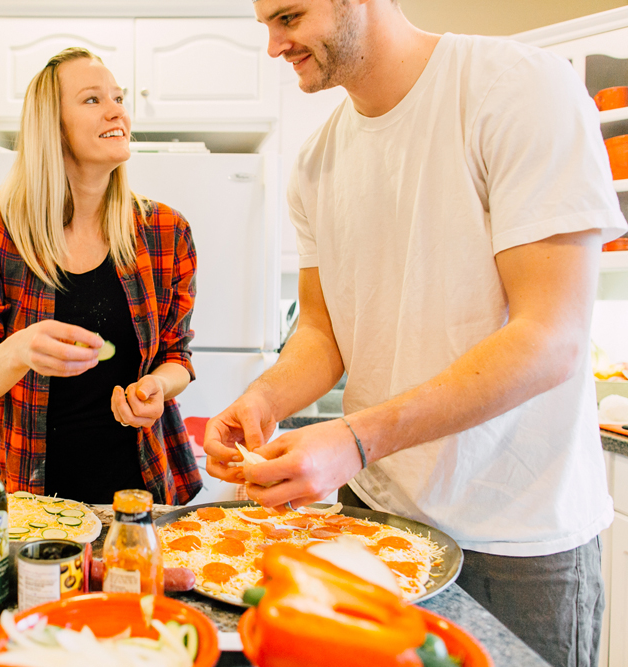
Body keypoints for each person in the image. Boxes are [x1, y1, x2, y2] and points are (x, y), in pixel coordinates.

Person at [204, 1, 627, 664]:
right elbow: (322, 329)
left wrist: (356, 438)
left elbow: (552, 336)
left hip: (517, 543)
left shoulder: (516, 88)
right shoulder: (317, 162)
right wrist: (263, 399)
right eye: (266, 24)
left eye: (288, 16)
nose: (274, 46)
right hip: (374, 521)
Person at [0, 47, 202, 506]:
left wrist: (156, 387)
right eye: (92, 99)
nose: (117, 110)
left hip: (143, 488)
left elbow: (177, 358)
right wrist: (21, 348)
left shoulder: (166, 231)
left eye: (119, 98)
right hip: (30, 492)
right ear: (52, 125)